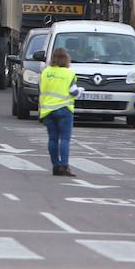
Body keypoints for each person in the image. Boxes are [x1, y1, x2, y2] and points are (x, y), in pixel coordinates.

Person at [38, 47, 81, 177]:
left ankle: (55, 166)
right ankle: (64, 166)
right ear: (66, 59)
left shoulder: (45, 72)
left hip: (48, 110)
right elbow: (73, 91)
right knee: (65, 139)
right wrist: (80, 91)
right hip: (64, 109)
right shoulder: (69, 74)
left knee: (52, 139)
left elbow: (41, 89)